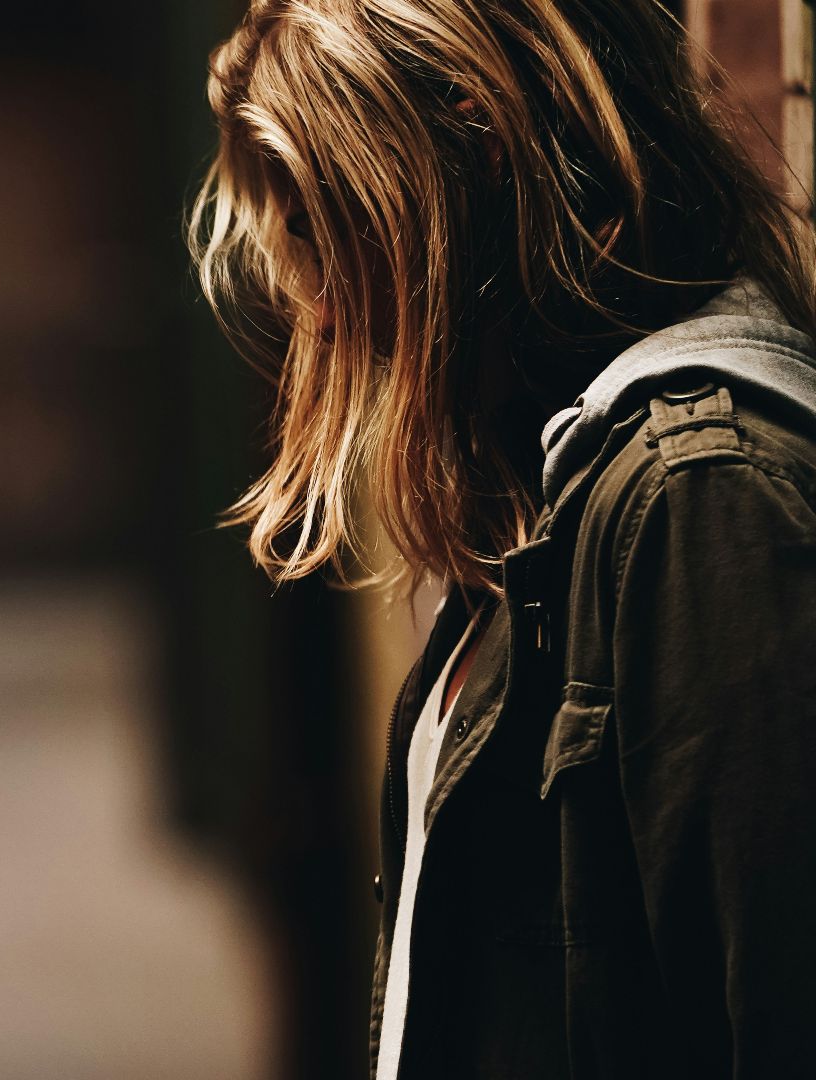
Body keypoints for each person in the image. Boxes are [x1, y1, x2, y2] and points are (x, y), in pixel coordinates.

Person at [187, 1, 816, 1077]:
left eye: (330, 228)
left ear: (475, 145)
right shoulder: (552, 502)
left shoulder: (702, 501)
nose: (324, 313)